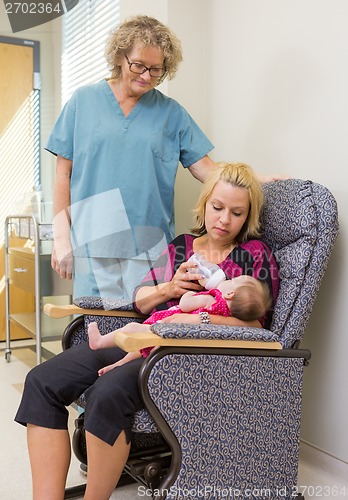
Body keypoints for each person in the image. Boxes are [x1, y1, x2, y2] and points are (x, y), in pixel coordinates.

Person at [15, 162, 279, 500]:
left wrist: (193, 320)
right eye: (217, 207)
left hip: (185, 356)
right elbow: (140, 299)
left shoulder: (254, 256)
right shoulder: (180, 246)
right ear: (204, 204)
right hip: (143, 335)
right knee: (42, 381)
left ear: (248, 217)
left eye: (237, 212)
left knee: (106, 393)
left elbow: (259, 326)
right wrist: (170, 288)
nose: (224, 220)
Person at [47, 14, 217, 300]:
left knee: (141, 341)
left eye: (156, 69)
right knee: (92, 337)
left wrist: (256, 179)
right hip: (92, 248)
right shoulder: (82, 101)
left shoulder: (171, 113)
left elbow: (207, 169)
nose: (146, 76)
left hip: (149, 252)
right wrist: (61, 240)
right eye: (138, 65)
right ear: (120, 56)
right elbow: (63, 174)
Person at [88, 274, 272, 375]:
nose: (227, 279)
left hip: (166, 326)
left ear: (230, 293)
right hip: (176, 339)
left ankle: (101, 342)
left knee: (132, 330)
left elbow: (184, 305)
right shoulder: (227, 314)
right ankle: (118, 364)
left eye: (231, 281)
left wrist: (193, 294)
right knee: (139, 349)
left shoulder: (211, 299)